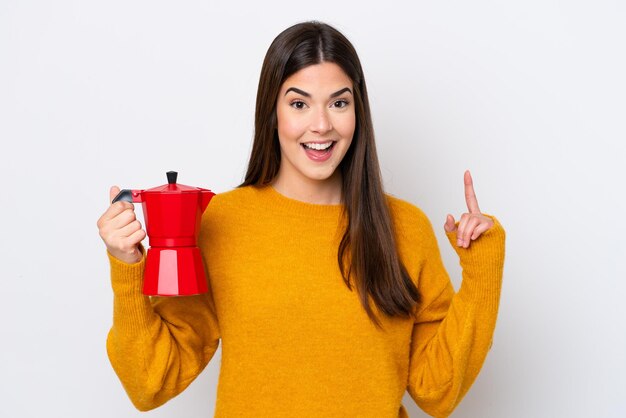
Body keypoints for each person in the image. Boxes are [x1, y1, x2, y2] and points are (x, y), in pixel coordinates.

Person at [97, 21, 505, 418]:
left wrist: (482, 266)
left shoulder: (405, 227)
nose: (322, 124)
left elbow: (438, 393)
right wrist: (128, 269)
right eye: (299, 103)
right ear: (272, 112)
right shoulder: (223, 221)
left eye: (339, 103)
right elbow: (150, 382)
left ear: (357, 111)